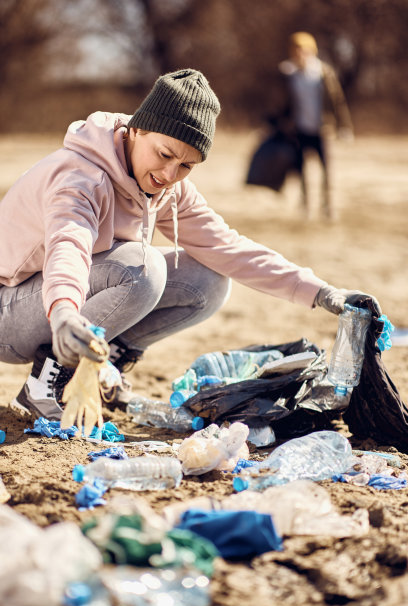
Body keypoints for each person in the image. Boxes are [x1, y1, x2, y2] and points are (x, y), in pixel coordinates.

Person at [0, 68, 380, 421]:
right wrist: (65, 313)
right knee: (142, 268)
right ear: (137, 130)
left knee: (210, 278)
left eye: (186, 165)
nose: (169, 174)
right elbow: (70, 245)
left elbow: (230, 249)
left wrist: (324, 292)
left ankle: (104, 366)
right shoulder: (80, 177)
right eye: (164, 154)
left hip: (58, 309)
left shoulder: (168, 189)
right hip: (14, 310)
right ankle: (47, 381)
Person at [278, 32, 354, 219]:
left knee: (326, 169)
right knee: (301, 169)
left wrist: (344, 126)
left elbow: (338, 101)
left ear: (311, 51)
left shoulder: (324, 73)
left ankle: (328, 207)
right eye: (295, 50)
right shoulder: (289, 75)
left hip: (322, 129)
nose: (299, 54)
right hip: (300, 129)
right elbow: (282, 102)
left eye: (302, 50)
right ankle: (305, 207)